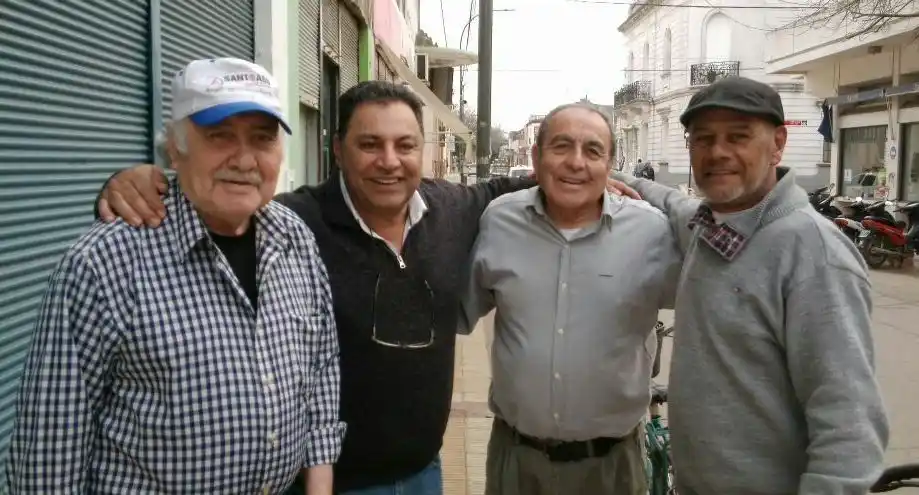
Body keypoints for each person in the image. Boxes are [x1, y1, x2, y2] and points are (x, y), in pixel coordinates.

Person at [92, 81, 624, 494]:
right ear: (338, 149)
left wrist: (623, 184)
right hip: (322, 480)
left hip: (422, 474)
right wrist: (140, 179)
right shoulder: (291, 224)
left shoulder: (454, 209)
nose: (389, 161)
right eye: (369, 144)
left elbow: (549, 177)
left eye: (404, 145)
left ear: (422, 150)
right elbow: (218, 196)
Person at [6, 58, 344, 494]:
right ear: (174, 148)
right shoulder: (103, 263)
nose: (244, 160)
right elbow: (49, 451)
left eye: (262, 139)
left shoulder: (293, 238)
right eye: (219, 137)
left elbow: (320, 368)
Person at [613, 76, 889, 494]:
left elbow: (849, 427)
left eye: (738, 137)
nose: (717, 151)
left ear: (777, 143)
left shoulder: (814, 254)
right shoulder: (711, 227)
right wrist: (608, 175)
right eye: (702, 138)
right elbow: (669, 201)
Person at [461, 103, 682, 495]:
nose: (576, 163)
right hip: (517, 463)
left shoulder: (652, 232)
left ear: (611, 164)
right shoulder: (499, 221)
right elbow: (456, 312)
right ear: (536, 156)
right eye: (561, 147)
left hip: (611, 468)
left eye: (593, 151)